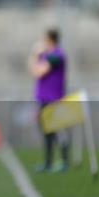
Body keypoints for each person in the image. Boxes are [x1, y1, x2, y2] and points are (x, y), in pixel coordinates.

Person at [28, 29, 69, 173]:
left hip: (54, 99)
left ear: (50, 39)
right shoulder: (46, 55)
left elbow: (38, 71)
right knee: (46, 132)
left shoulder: (57, 55)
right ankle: (48, 162)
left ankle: (64, 161)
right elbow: (34, 69)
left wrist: (34, 54)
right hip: (44, 99)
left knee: (57, 130)